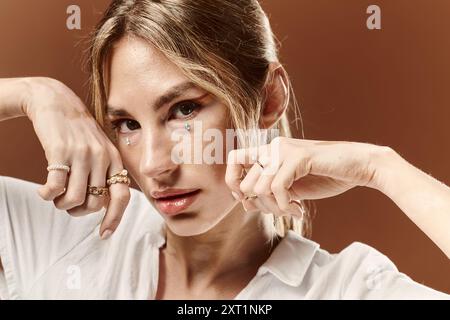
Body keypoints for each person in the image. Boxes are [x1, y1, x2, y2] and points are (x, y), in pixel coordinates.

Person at [0, 0, 448, 300]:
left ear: (269, 99)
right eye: (127, 124)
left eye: (184, 109)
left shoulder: (345, 289)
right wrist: (34, 94)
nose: (154, 165)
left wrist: (380, 167)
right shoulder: (63, 234)